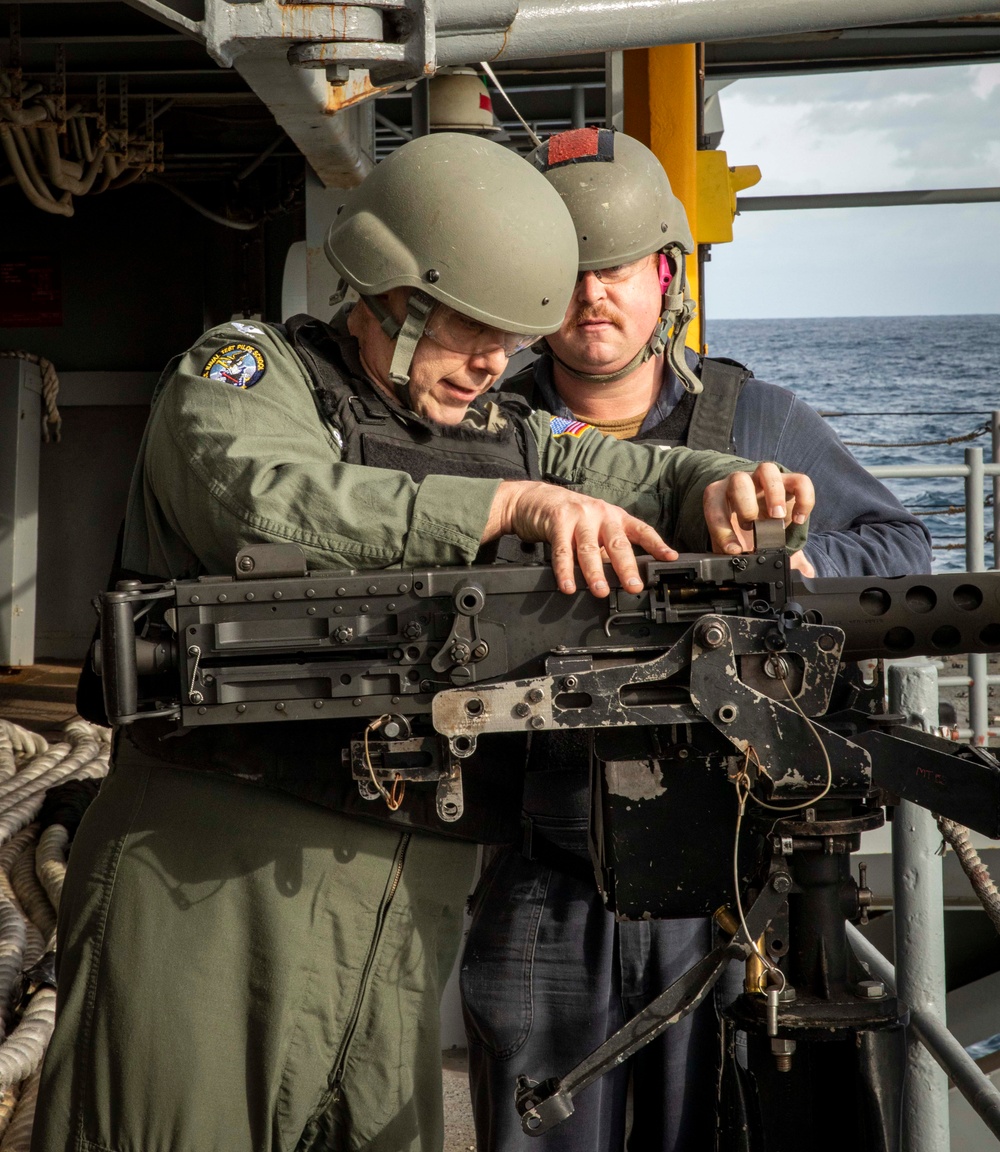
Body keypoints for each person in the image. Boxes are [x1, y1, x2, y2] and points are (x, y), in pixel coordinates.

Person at [31, 131, 815, 1152]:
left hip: (410, 903)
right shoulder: (242, 376)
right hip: (212, 887)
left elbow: (642, 478)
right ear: (392, 298)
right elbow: (276, 505)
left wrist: (723, 488)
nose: (494, 364)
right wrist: (511, 505)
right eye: (469, 330)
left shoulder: (502, 427)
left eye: (510, 344)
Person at [460, 127, 932, 1152]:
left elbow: (900, 540)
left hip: (731, 881)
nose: (594, 296)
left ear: (663, 274)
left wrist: (809, 576)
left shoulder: (754, 420)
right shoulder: (480, 435)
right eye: (571, 272)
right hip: (548, 875)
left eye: (618, 268)